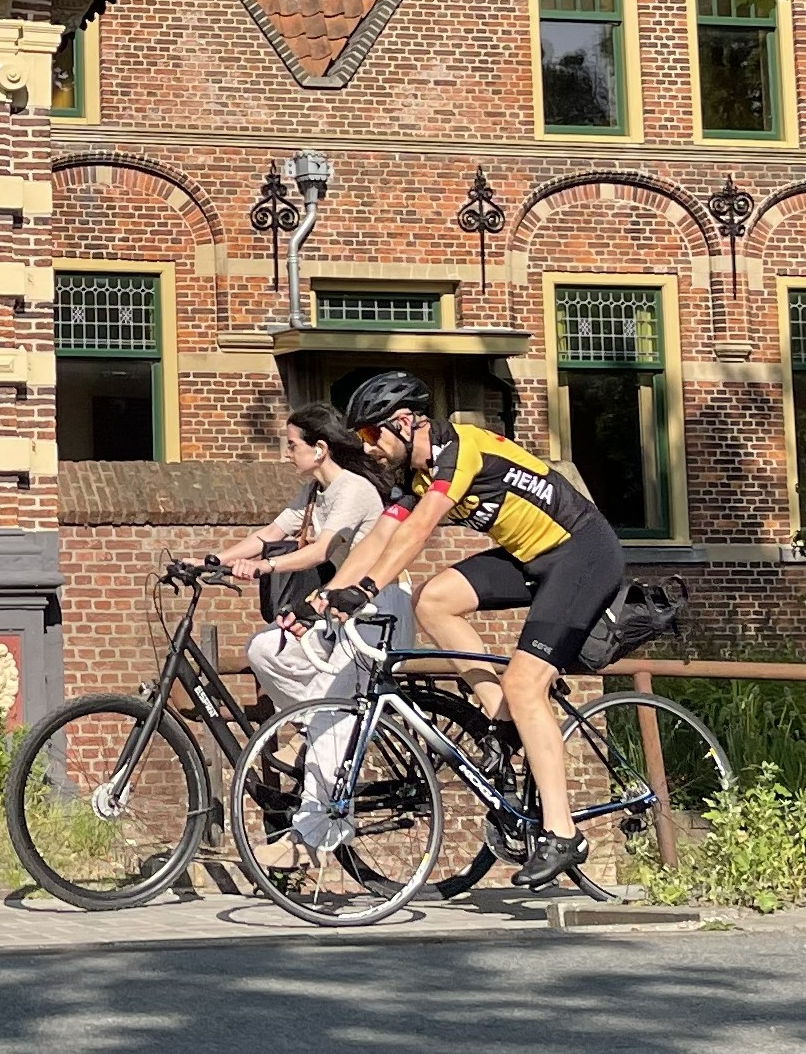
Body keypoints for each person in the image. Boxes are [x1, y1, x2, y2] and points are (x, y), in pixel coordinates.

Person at [315, 369, 622, 890]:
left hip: (583, 551)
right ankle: (500, 718)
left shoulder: (460, 450)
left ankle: (564, 834)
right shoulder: (413, 477)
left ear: (406, 422)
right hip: (531, 556)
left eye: (371, 434)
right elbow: (379, 537)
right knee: (434, 600)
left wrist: (365, 591)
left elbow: (416, 531)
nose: (367, 448)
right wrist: (322, 598)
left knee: (527, 683)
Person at [210, 404, 407, 879]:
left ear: (319, 449)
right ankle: (320, 726)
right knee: (265, 648)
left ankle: (307, 841)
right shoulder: (314, 491)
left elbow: (319, 550)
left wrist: (265, 568)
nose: (287, 452)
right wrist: (214, 560)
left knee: (331, 715)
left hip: (375, 611)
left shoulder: (354, 490)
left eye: (293, 444)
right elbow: (270, 534)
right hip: (338, 612)